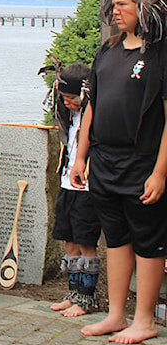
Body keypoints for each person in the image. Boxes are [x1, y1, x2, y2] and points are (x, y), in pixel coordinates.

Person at [70, 0, 167, 344]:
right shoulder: (107, 51)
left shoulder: (160, 54)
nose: (115, 11)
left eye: (123, 5)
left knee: (148, 239)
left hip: (143, 161)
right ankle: (115, 314)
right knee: (116, 237)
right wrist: (80, 156)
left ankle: (144, 319)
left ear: (143, 8)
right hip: (104, 161)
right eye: (112, 6)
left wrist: (160, 172)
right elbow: (91, 106)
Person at [42, 62, 101, 317]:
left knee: (86, 240)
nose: (67, 102)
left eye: (71, 98)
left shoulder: (95, 115)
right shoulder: (68, 115)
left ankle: (87, 298)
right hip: (67, 182)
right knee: (69, 239)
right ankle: (74, 292)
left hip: (88, 187)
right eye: (63, 98)